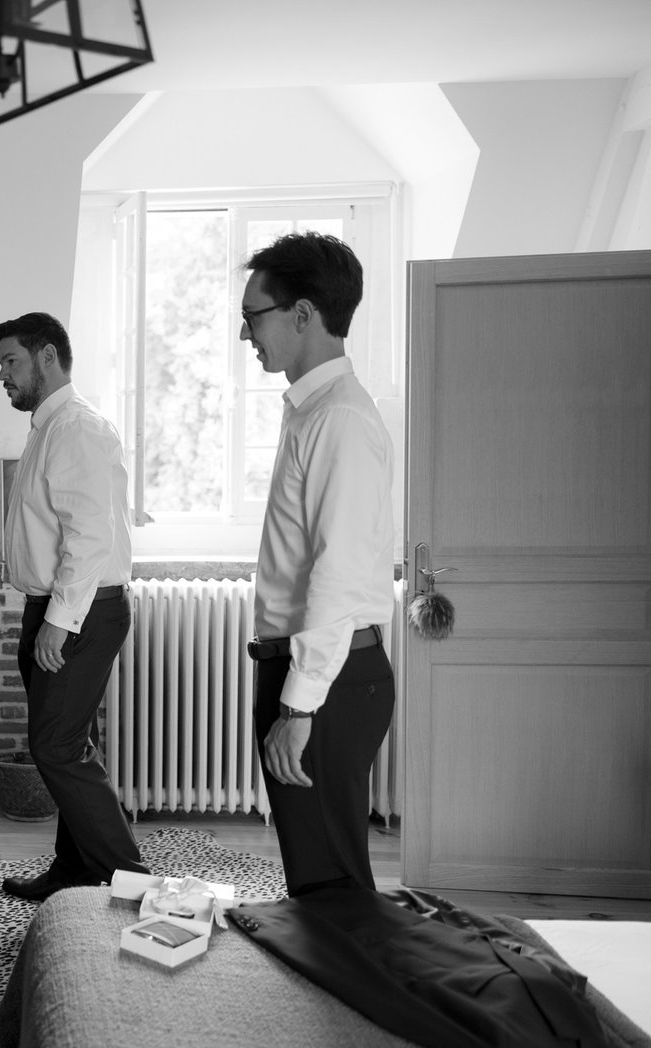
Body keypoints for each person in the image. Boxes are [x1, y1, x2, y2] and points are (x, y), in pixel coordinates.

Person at [240, 233, 395, 896]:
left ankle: (355, 995)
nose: (246, 335)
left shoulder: (339, 421)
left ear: (301, 314)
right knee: (315, 876)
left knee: (329, 884)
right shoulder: (313, 411)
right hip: (310, 674)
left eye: (253, 317)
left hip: (326, 683)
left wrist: (298, 709)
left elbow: (337, 576)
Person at [0, 311, 150, 902]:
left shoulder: (77, 428)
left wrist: (58, 623)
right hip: (55, 606)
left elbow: (90, 537)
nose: (3, 374)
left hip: (82, 608)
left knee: (55, 747)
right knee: (70, 742)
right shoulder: (46, 427)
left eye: (12, 361)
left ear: (48, 358)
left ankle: (134, 882)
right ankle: (75, 868)